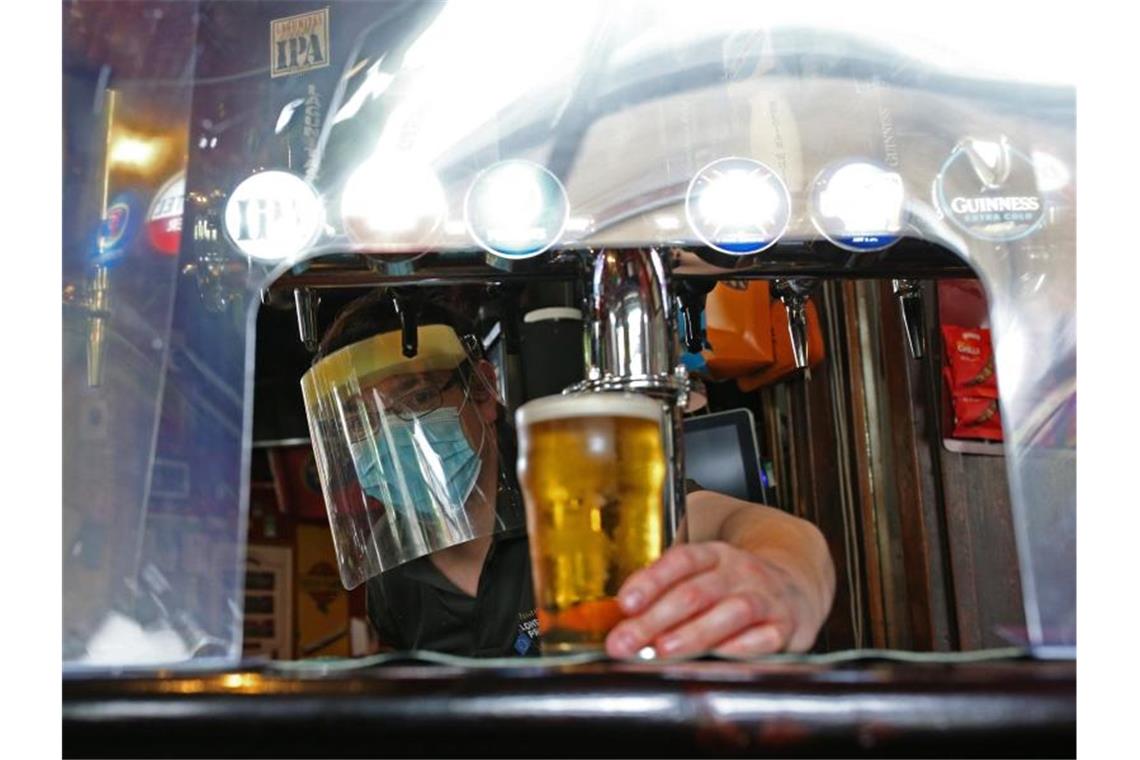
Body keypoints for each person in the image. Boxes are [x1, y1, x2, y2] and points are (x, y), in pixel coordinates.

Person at [303, 288, 836, 659]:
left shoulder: (577, 494)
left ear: (484, 391)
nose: (388, 441)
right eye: (361, 424)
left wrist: (789, 583)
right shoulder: (389, 572)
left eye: (416, 399)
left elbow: (746, 525)